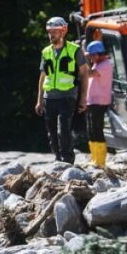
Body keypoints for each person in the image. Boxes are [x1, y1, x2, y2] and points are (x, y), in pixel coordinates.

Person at [35, 16, 88, 164]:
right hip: (49, 97)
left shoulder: (74, 50)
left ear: (63, 31)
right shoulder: (46, 52)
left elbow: (84, 74)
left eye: (55, 31)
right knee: (51, 133)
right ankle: (57, 158)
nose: (51, 35)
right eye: (49, 32)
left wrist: (83, 98)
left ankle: (67, 159)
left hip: (67, 96)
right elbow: (42, 76)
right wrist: (39, 100)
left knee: (63, 130)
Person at [84, 40, 112, 168]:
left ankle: (100, 161)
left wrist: (84, 61)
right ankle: (94, 158)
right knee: (91, 130)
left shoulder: (105, 65)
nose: (90, 58)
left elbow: (88, 74)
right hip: (92, 102)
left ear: (98, 54)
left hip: (99, 102)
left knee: (97, 129)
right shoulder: (98, 64)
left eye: (91, 56)